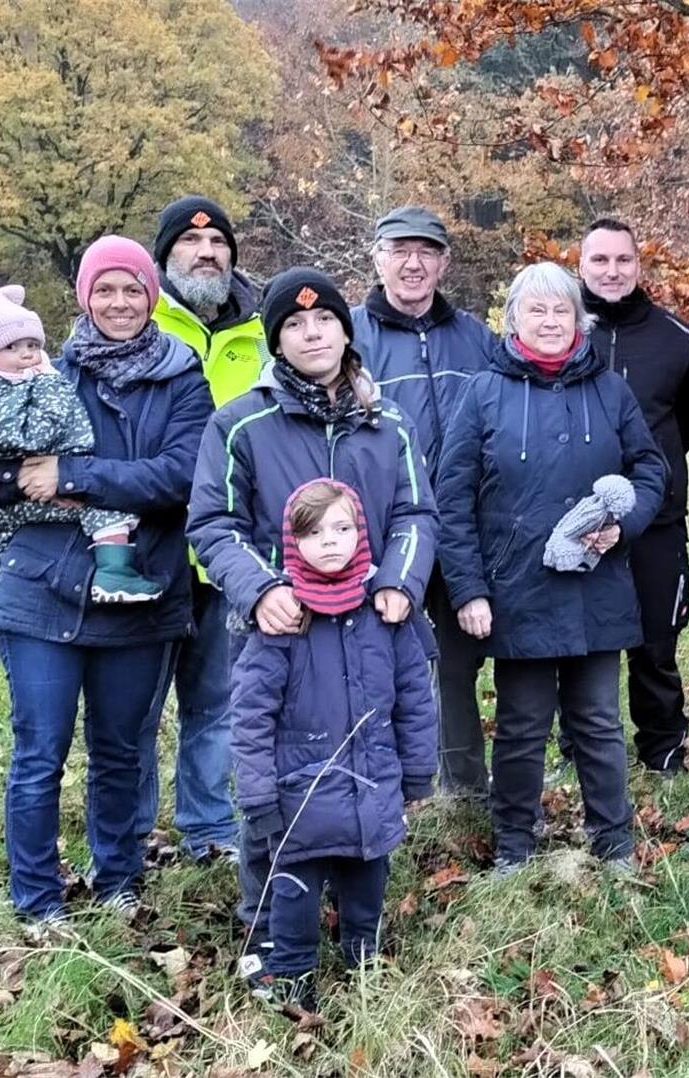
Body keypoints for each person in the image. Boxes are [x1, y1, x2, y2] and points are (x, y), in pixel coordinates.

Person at [0, 237, 213, 929]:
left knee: (122, 750)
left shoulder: (184, 378)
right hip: (40, 587)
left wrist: (73, 476)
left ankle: (116, 879)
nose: (118, 303)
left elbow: (184, 474)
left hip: (143, 587)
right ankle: (36, 900)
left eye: (131, 290)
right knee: (40, 752)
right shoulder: (40, 370)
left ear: (151, 297)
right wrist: (25, 484)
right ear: (84, 297)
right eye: (105, 290)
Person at [186, 267, 438, 978]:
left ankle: (362, 929)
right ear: (276, 340)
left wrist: (400, 580)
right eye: (294, 325)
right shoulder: (242, 424)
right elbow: (212, 522)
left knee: (364, 755)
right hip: (283, 634)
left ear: (345, 328)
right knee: (276, 775)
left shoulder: (387, 422)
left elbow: (418, 512)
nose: (312, 332)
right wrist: (258, 589)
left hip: (372, 629)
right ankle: (268, 933)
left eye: (324, 319)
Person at [433, 261, 666, 873]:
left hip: (597, 584)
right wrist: (468, 590)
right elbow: (450, 500)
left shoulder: (610, 391)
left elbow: (650, 470)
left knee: (598, 721)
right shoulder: (482, 394)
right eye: (535, 310)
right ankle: (515, 846)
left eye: (561, 310)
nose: (550, 321)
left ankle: (613, 843)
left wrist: (625, 525)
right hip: (517, 590)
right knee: (521, 725)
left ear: (579, 319)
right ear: (512, 321)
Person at [229, 479, 436, 1013]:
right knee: (295, 891)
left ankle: (363, 963)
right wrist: (257, 796)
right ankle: (294, 975)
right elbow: (250, 716)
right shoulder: (280, 620)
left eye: (342, 529)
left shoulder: (386, 613)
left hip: (373, 783)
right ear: (292, 541)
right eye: (314, 532)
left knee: (369, 879)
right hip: (301, 795)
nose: (329, 541)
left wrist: (417, 774)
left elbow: (415, 698)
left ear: (361, 534)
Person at [0, 283, 165, 635]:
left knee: (0, 544)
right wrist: (31, 475)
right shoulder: (13, 388)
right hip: (23, 497)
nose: (28, 355)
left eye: (33, 345)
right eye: (13, 348)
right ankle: (113, 573)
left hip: (15, 503)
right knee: (108, 509)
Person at [351, 206, 499, 802]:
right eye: (400, 250)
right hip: (383, 531)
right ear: (378, 257)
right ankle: (386, 789)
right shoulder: (351, 336)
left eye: (426, 252)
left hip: (463, 527)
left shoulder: (476, 339)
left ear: (443, 262)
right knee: (379, 662)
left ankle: (463, 789)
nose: (413, 264)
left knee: (459, 663)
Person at [146, 194, 267, 863]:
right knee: (135, 708)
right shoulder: (141, 321)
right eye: (191, 245)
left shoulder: (260, 333)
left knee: (218, 704)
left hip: (233, 555)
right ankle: (130, 834)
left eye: (218, 242)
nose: (206, 253)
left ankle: (209, 830)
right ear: (166, 257)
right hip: (151, 550)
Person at [579, 217, 689, 775]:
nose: (612, 271)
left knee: (657, 638)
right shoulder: (564, 330)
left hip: (656, 516)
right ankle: (582, 747)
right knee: (584, 643)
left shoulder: (675, 338)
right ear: (580, 266)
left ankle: (663, 746)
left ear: (639, 265)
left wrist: (655, 472)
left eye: (623, 261)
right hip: (578, 516)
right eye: (600, 261)